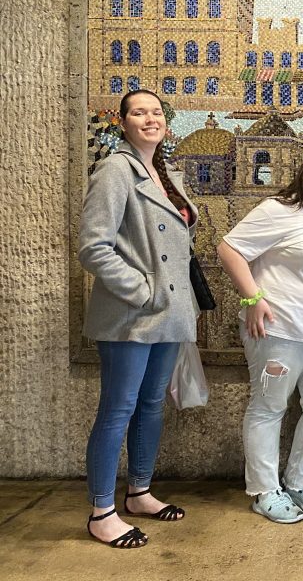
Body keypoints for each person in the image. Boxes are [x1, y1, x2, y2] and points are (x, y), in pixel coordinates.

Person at [79, 89, 198, 548]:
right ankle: (101, 511)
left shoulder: (168, 174)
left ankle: (140, 492)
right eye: (138, 112)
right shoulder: (115, 170)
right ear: (123, 122)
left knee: (151, 404)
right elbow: (93, 247)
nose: (150, 118)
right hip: (132, 315)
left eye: (157, 111)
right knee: (118, 408)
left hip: (170, 313)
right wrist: (142, 291)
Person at [217, 140, 303, 524]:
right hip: (280, 329)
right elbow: (229, 249)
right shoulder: (278, 209)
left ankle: (298, 481)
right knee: (269, 406)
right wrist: (252, 298)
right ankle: (263, 489)